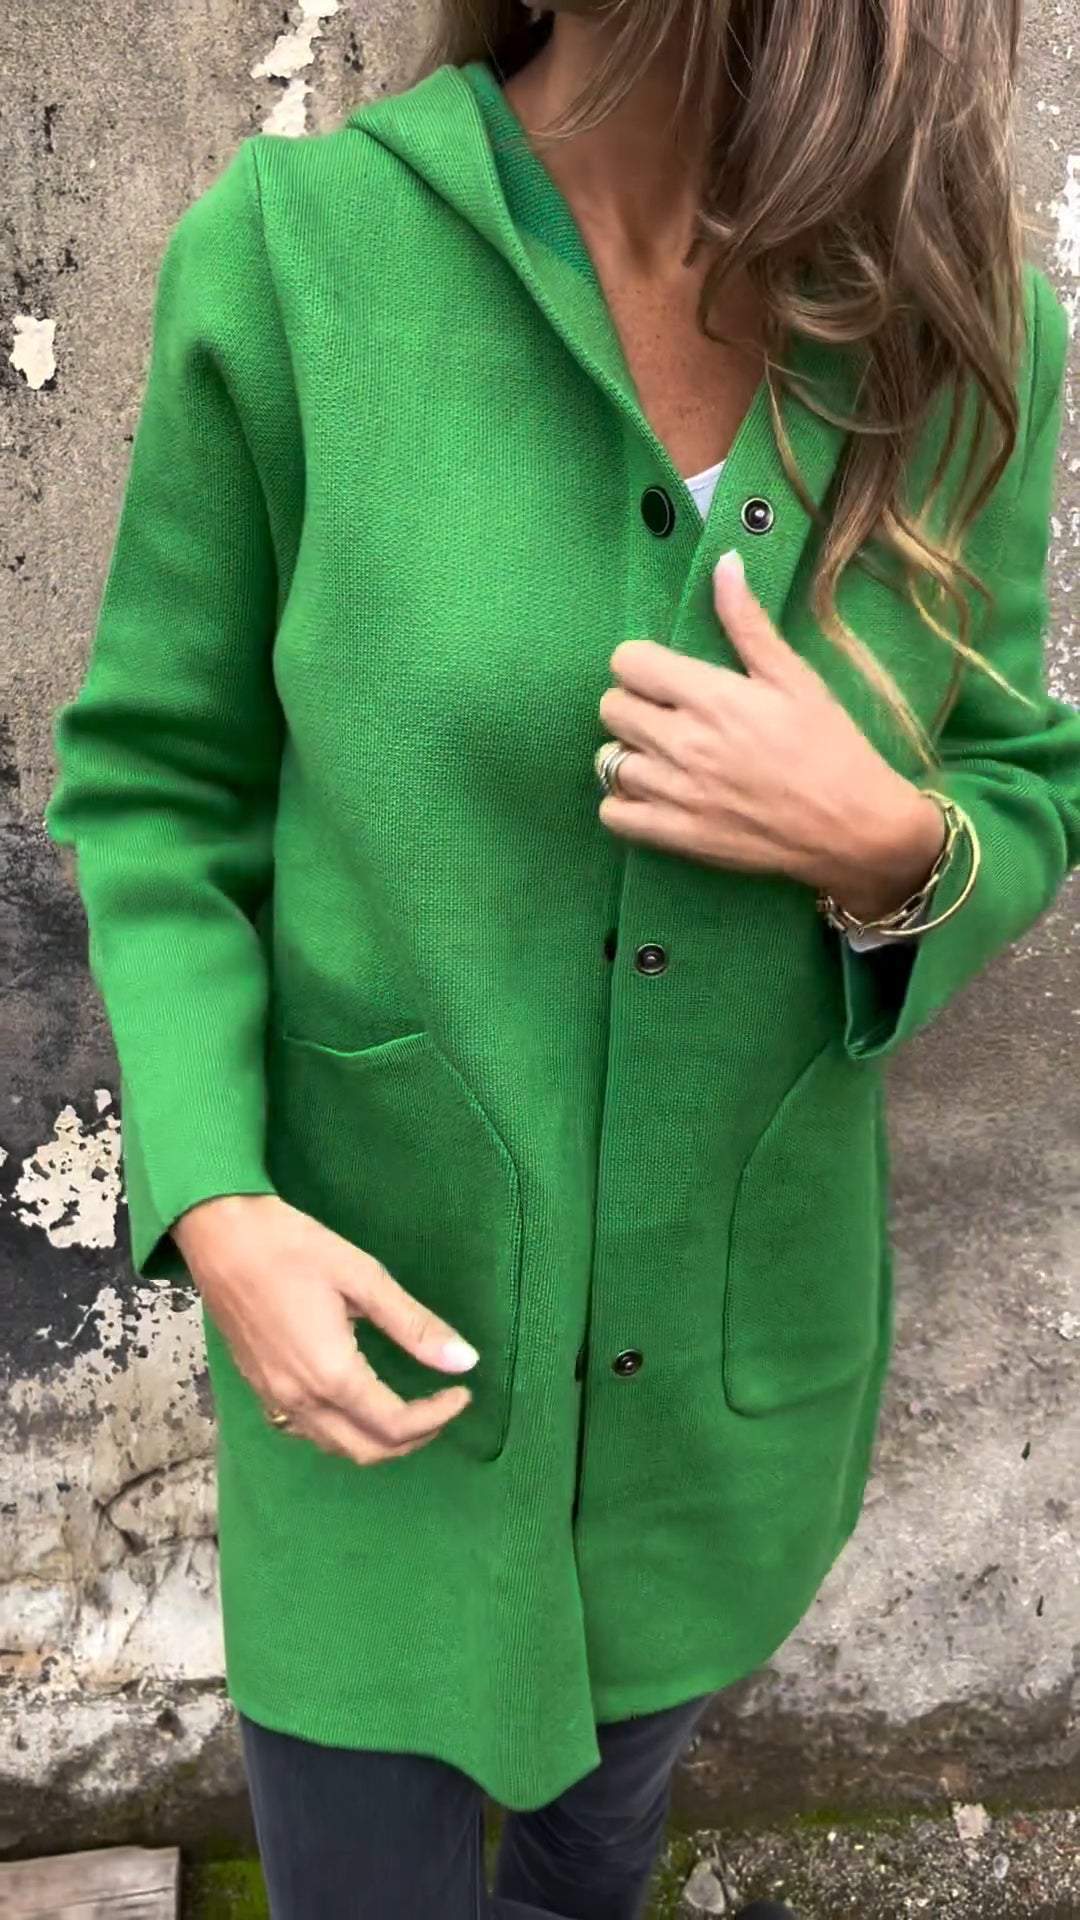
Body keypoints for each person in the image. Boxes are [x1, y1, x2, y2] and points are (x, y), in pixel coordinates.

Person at [43, 0, 1080, 1914]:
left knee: (599, 1854)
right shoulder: (297, 260)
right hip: (376, 1365)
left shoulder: (957, 334)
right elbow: (157, 784)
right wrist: (216, 1204)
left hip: (722, 1404)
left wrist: (888, 845)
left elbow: (1020, 773)